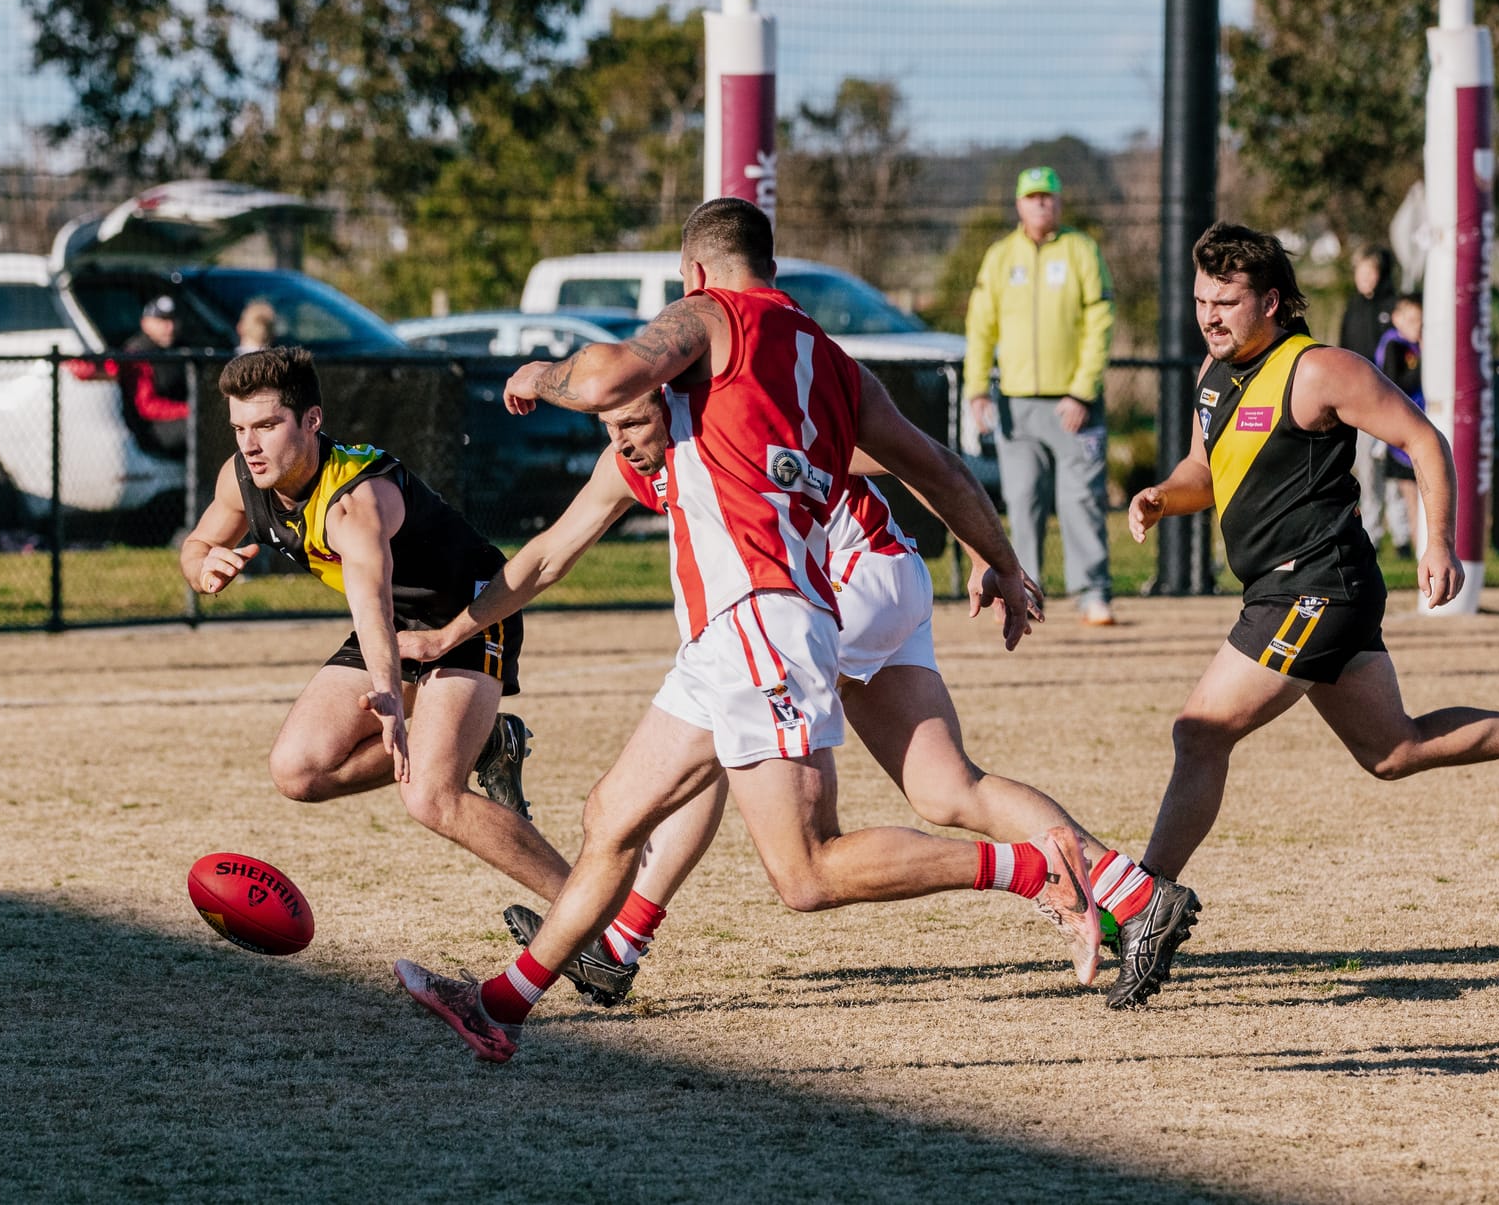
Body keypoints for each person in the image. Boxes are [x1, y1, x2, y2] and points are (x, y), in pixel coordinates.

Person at [393, 198, 1136, 1063]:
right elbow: (935, 462)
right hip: (735, 636)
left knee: (806, 872)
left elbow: (598, 378)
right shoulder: (829, 362)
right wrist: (1003, 562)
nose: (624, 428)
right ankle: (499, 1005)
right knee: (610, 817)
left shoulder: (711, 316)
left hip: (761, 618)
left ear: (694, 274)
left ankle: (1031, 867)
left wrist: (537, 375)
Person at [396, 388, 1196, 1015]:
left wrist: (994, 553)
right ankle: (1132, 890)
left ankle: (618, 940)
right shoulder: (630, 456)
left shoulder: (740, 414)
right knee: (948, 788)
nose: (626, 439)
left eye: (635, 418)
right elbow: (543, 557)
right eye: (610, 424)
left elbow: (917, 460)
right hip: (873, 583)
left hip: (853, 583)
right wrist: (448, 635)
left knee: (732, 741)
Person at [1122, 223, 1499, 976]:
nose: (1209, 314)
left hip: (1318, 586)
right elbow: (1205, 470)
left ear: (1270, 301)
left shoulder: (1319, 370)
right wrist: (1161, 497)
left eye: (1226, 300)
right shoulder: (1213, 373)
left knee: (1199, 733)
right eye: (1202, 299)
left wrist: (1439, 542)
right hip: (1282, 589)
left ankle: (1146, 904)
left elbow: (1424, 440)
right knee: (1394, 749)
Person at [180, 347, 691, 979]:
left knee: (430, 797)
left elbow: (368, 603)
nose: (249, 445)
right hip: (400, 628)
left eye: (266, 426)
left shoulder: (354, 501)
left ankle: (594, 924)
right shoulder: (243, 479)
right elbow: (200, 541)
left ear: (311, 420)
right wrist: (201, 568)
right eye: (239, 428)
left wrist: (390, 701)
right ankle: (483, 745)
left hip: (472, 613)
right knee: (297, 771)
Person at [964, 166, 1117, 624]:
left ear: (1059, 201)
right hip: (1014, 400)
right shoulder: (999, 256)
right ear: (1019, 204)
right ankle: (1024, 593)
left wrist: (1083, 391)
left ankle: (1093, 594)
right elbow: (980, 325)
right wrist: (977, 388)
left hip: (1073, 403)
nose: (1040, 204)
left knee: (1081, 499)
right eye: (1032, 197)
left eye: (1047, 196)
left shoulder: (1082, 250)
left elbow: (1100, 321)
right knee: (1023, 499)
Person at [1336, 244, 1410, 554]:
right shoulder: (1352, 309)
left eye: (1371, 272)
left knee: (1395, 472)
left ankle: (1403, 536)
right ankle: (1374, 535)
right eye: (1361, 272)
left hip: (1391, 404)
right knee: (1368, 472)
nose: (1365, 278)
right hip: (1360, 406)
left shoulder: (1393, 308)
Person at [1373, 296, 1424, 555]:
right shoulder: (1395, 346)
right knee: (1413, 502)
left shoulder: (1414, 346)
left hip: (1420, 430)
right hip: (1403, 436)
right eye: (1412, 320)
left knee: (1426, 502)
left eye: (1421, 321)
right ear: (1397, 319)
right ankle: (1420, 557)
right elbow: (1399, 384)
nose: (1418, 326)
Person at [119, 295, 193, 458]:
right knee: (196, 426)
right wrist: (190, 410)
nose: (170, 327)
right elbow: (146, 406)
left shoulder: (183, 348)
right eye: (162, 321)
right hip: (151, 429)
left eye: (173, 320)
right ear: (145, 322)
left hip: (179, 418)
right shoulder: (137, 353)